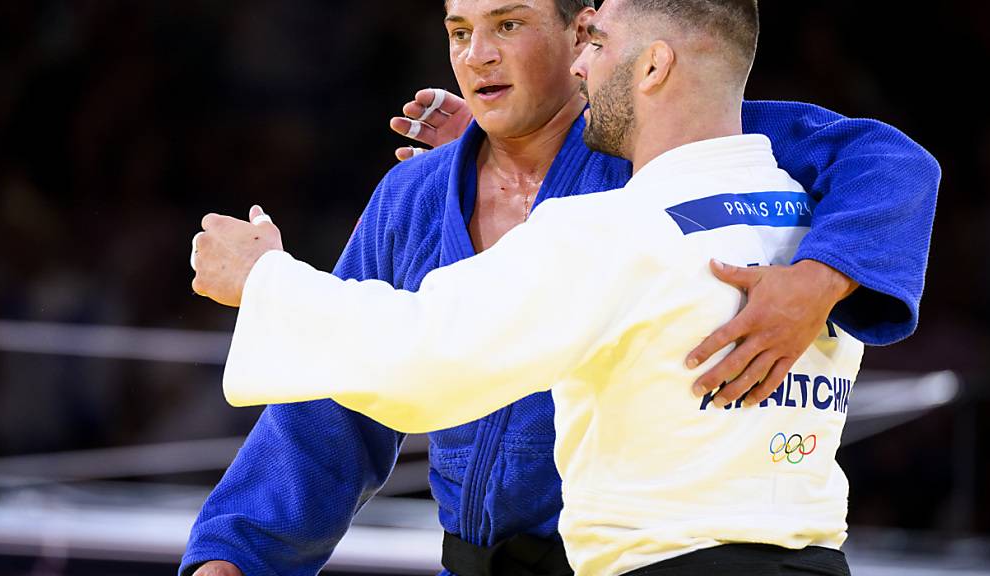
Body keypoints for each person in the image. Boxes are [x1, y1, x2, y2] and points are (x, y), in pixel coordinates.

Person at [181, 0, 940, 574]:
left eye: (509, 26)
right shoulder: (418, 198)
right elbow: (334, 397)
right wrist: (239, 549)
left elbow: (889, 160)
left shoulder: (652, 166)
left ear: (583, 38)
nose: (478, 56)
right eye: (458, 32)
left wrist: (822, 276)